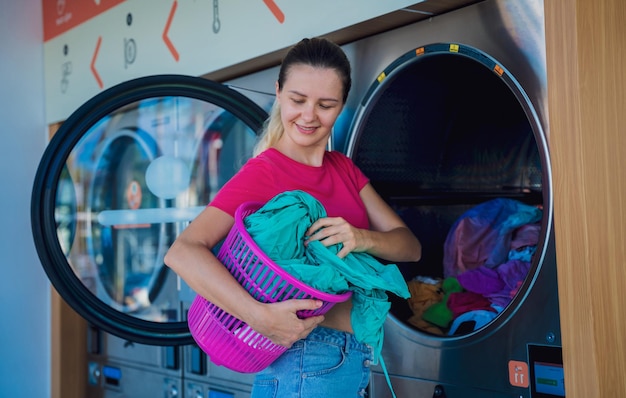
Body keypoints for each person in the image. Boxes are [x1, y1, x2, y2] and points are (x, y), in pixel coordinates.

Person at [164, 37, 422, 397]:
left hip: (348, 360)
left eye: (326, 104)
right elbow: (183, 251)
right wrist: (258, 316)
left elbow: (410, 247)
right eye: (298, 100)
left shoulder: (343, 169)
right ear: (279, 93)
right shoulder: (265, 173)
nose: (308, 116)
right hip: (303, 360)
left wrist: (362, 237)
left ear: (342, 105)